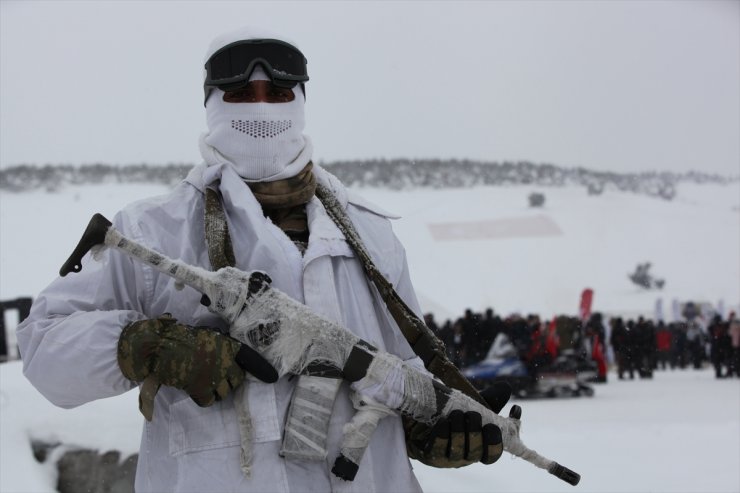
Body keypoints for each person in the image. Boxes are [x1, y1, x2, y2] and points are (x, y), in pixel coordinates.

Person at [16, 27, 511, 492]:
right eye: (241, 95)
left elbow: (397, 375)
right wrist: (143, 346)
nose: (261, 110)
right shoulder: (154, 229)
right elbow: (43, 346)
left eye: (277, 95)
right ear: (211, 105)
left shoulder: (370, 234)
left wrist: (429, 429)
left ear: (300, 104)